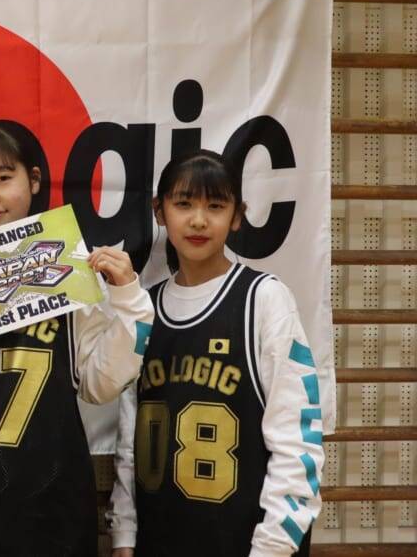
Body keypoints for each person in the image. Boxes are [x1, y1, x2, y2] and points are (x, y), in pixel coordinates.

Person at [0, 120, 155, 556]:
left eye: (3, 178)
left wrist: (129, 297)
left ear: (34, 180)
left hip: (50, 513)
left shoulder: (72, 265)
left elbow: (100, 385)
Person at [107, 149, 324, 557]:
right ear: (159, 211)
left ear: (237, 216)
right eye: (183, 204)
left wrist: (272, 547)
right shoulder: (144, 308)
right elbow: (130, 439)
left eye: (216, 206)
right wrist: (124, 532)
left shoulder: (264, 299)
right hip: (160, 539)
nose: (198, 220)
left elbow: (298, 441)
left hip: (248, 543)